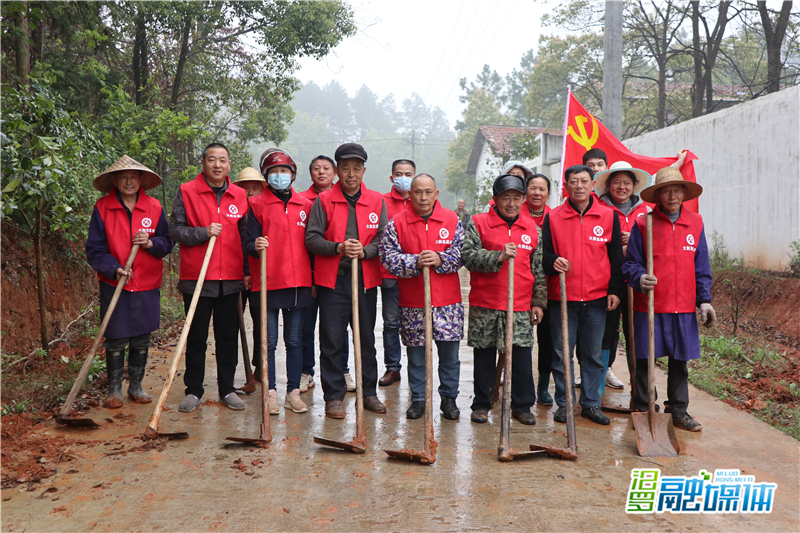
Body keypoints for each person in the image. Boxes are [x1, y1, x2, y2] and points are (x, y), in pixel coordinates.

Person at [623, 167, 714, 432]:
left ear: (684, 193)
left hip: (683, 307)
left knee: (679, 361)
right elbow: (631, 264)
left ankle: (678, 411)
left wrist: (704, 299)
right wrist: (640, 278)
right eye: (666, 191)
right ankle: (643, 408)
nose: (672, 196)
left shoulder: (695, 223)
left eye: (677, 190)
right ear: (658, 195)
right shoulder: (644, 223)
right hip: (649, 305)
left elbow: (702, 265)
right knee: (644, 360)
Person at [305, 143, 389, 419]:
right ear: (337, 171)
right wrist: (338, 247)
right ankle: (334, 396)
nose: (351, 174)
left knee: (365, 339)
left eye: (356, 168)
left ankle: (369, 393)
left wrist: (365, 251)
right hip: (334, 281)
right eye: (345, 168)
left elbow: (382, 238)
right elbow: (312, 238)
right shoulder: (324, 200)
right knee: (331, 340)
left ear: (364, 170)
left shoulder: (377, 200)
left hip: (364, 280)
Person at [86, 155, 174, 408]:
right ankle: (114, 390)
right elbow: (95, 249)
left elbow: (167, 242)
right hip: (115, 283)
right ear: (114, 180)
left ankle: (136, 386)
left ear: (141, 180)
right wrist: (114, 269)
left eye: (133, 177)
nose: (128, 182)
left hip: (146, 283)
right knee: (114, 336)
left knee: (141, 337)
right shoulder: (103, 208)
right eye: (123, 177)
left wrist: (150, 243)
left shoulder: (154, 207)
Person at [168, 143, 250, 413]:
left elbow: (245, 237)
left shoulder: (240, 195)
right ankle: (193, 390)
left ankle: (227, 388)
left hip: (230, 278)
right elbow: (176, 231)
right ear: (202, 163)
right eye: (212, 160)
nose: (217, 165)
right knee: (196, 337)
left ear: (229, 165)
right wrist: (202, 232)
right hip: (197, 278)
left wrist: (247, 272)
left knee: (228, 335)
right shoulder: (186, 191)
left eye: (223, 160)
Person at [542, 165, 624, 426]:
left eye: (584, 181)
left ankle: (590, 403)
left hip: (596, 299)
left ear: (592, 185)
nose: (579, 186)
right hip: (562, 299)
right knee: (561, 354)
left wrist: (614, 290)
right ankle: (564, 404)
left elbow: (615, 259)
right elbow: (543, 256)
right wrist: (553, 261)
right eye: (573, 181)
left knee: (592, 355)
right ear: (566, 186)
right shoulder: (553, 218)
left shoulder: (608, 216)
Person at [463, 174, 546, 425]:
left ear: (523, 200)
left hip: (520, 305)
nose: (511, 203)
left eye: (516, 198)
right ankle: (482, 403)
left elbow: (538, 269)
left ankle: (521, 405)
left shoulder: (533, 228)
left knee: (521, 357)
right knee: (484, 356)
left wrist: (538, 302)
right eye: (505, 197)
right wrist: (497, 257)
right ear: (496, 199)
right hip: (485, 304)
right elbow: (468, 257)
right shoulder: (478, 223)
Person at [379, 174, 464, 420]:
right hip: (413, 303)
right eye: (418, 192)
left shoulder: (452, 219)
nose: (423, 197)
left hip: (448, 304)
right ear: (410, 194)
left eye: (428, 192)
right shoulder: (397, 223)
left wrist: (441, 259)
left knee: (450, 357)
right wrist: (414, 261)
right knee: (416, 357)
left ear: (437, 194)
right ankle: (419, 399)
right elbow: (387, 256)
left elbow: (462, 252)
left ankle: (449, 399)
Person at [246, 150, 313, 414]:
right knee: (269, 342)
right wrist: (255, 244)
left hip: (299, 282)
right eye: (274, 171)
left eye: (284, 171)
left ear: (293, 174)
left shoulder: (305, 205)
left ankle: (293, 393)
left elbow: (313, 242)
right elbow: (247, 242)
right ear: (266, 176)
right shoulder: (255, 205)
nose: (279, 176)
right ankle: (270, 392)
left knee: (295, 341)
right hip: (267, 282)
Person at [593, 161, 652, 395]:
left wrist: (635, 242)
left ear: (634, 186)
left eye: (627, 183)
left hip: (636, 284)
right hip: (608, 281)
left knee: (635, 334)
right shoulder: (598, 208)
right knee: (605, 333)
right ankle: (596, 388)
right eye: (616, 182)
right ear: (607, 185)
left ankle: (640, 393)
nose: (621, 187)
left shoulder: (645, 211)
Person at [299, 155, 354, 393]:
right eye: (316, 169)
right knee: (306, 327)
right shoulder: (301, 200)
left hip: (336, 275)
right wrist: (308, 277)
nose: (321, 172)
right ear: (310, 173)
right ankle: (306, 371)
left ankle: (343, 370)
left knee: (337, 328)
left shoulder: (343, 199)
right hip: (308, 275)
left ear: (335, 173)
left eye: (326, 168)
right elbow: (304, 243)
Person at [377, 159, 415, 387]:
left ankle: (416, 367)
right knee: (390, 323)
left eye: (408, 173)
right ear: (392, 178)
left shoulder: (422, 200)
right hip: (390, 275)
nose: (404, 177)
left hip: (415, 275)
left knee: (414, 323)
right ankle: (393, 368)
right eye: (399, 174)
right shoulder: (381, 202)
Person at [523, 173, 555, 406]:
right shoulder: (514, 212)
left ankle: (543, 387)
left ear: (548, 193)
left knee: (547, 340)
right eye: (532, 188)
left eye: (541, 189)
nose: (537, 192)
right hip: (519, 286)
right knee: (518, 342)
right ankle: (514, 384)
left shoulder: (555, 218)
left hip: (548, 287)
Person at [232, 166, 265, 381]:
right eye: (246, 189)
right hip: (234, 274)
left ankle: (260, 367)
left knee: (260, 322)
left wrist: (250, 272)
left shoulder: (262, 211)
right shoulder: (233, 212)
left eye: (255, 188)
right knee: (233, 323)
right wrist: (243, 271)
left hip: (257, 275)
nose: (250, 193)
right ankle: (231, 370)